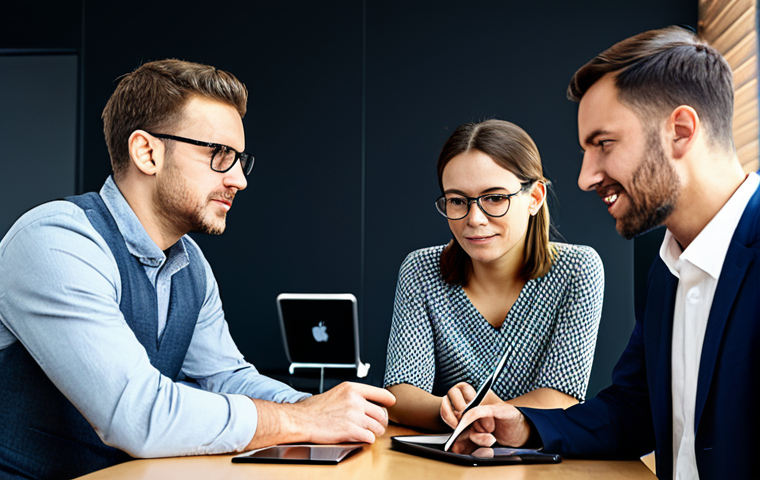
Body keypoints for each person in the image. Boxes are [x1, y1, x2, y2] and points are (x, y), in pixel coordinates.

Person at [0, 59, 394, 480]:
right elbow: (138, 415)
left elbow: (224, 377)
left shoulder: (190, 263)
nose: (239, 180)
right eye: (220, 154)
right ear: (146, 152)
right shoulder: (55, 240)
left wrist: (322, 409)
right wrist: (305, 420)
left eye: (240, 159)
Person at [447, 26, 760, 480]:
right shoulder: (666, 266)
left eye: (603, 144)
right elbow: (633, 412)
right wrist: (525, 426)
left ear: (681, 131)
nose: (585, 177)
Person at [383, 119, 604, 431]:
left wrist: (475, 417)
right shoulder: (421, 270)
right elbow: (401, 393)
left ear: (535, 198)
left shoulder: (577, 269)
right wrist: (450, 409)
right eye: (457, 201)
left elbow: (561, 397)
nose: (474, 219)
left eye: (495, 198)